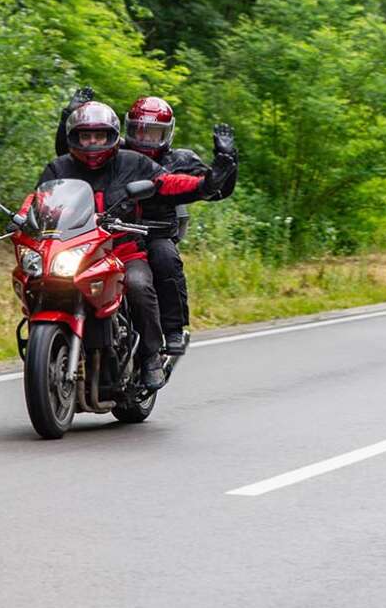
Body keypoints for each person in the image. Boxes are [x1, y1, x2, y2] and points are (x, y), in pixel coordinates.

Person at [37, 102, 235, 390]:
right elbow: (40, 201)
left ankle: (152, 355)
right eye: (85, 136)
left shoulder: (133, 162)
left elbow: (167, 183)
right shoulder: (60, 167)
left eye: (99, 136)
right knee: (43, 281)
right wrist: (21, 218)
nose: (92, 142)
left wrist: (206, 183)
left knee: (139, 284)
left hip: (123, 249)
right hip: (77, 251)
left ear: (112, 136)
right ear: (74, 138)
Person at [121, 96, 238, 355]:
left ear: (167, 133)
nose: (144, 139)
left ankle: (172, 329)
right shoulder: (114, 154)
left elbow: (215, 189)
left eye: (153, 133)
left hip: (156, 232)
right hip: (113, 233)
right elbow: (73, 160)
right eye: (139, 131)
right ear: (127, 128)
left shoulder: (181, 160)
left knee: (165, 257)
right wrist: (68, 121)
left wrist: (228, 160)